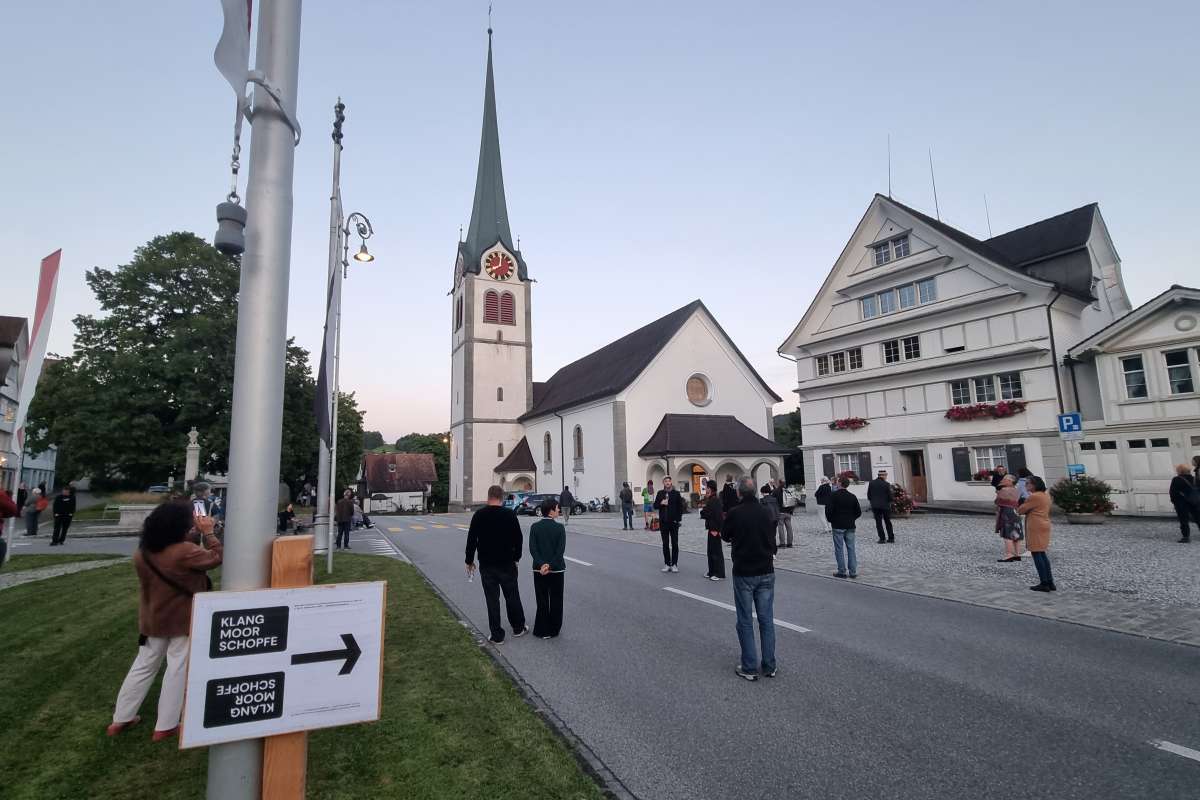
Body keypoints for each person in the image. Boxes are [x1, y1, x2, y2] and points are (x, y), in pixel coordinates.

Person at [107, 501, 223, 741]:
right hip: (181, 617)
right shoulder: (184, 552)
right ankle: (166, 724)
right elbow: (216, 557)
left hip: (153, 618)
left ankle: (121, 717)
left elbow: (181, 557)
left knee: (143, 666)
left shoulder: (143, 553)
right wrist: (209, 532)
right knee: (177, 668)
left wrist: (193, 535)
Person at [721, 476, 777, 681]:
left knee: (745, 620)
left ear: (739, 493)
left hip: (744, 571)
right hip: (766, 570)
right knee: (766, 620)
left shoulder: (735, 513)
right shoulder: (766, 511)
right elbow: (772, 535)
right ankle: (769, 665)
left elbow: (725, 535)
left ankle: (750, 666)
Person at [465, 485, 527, 643]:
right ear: (502, 498)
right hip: (507, 563)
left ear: (488, 497)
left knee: (492, 600)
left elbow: (472, 539)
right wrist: (516, 558)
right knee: (512, 596)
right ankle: (518, 627)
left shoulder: (479, 515)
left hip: (487, 564)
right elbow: (518, 539)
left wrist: (469, 560)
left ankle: (497, 635)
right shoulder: (509, 515)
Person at [529, 497, 566, 639]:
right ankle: (553, 629)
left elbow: (533, 549)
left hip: (539, 570)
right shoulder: (559, 528)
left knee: (542, 599)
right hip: (556, 570)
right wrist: (550, 565)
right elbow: (560, 551)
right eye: (557, 508)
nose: (559, 510)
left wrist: (541, 564)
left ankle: (541, 629)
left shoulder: (535, 527)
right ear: (551, 511)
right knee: (556, 599)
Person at [1019, 476, 1056, 591]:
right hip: (1044, 523)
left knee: (1036, 553)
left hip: (1036, 525)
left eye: (1028, 484)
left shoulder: (1034, 496)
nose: (1026, 486)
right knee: (1042, 553)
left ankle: (1044, 583)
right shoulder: (1045, 495)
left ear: (1034, 485)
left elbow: (1020, 510)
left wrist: (1021, 502)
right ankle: (1050, 582)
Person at [826, 475, 861, 578]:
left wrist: (832, 520)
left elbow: (828, 511)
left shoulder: (833, 496)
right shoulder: (852, 496)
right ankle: (853, 571)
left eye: (837, 482)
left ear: (840, 483)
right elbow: (858, 512)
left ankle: (842, 571)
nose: (836, 484)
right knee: (851, 548)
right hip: (850, 526)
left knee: (839, 549)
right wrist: (851, 519)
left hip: (837, 525)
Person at [655, 477, 684, 572]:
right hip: (663, 522)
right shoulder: (660, 493)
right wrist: (661, 503)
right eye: (666, 481)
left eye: (669, 481)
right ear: (663, 482)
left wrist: (678, 520)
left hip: (674, 522)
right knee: (665, 544)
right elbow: (655, 505)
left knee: (675, 544)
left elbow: (680, 507)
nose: (667, 483)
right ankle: (667, 563)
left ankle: (674, 564)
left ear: (671, 482)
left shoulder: (676, 493)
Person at [700, 479, 726, 581]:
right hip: (711, 528)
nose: (705, 489)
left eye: (706, 487)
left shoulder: (715, 500)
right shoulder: (711, 499)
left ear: (710, 489)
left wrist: (718, 530)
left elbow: (718, 516)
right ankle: (711, 571)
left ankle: (719, 573)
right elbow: (706, 512)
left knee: (716, 552)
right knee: (710, 551)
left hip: (715, 529)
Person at [995, 475, 1024, 561]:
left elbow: (998, 501)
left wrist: (998, 492)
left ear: (1010, 481)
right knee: (1017, 532)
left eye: (1005, 479)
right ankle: (1017, 553)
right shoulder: (1017, 490)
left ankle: (1009, 554)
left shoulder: (1003, 490)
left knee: (1007, 533)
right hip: (1016, 511)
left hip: (1006, 512)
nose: (1003, 480)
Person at [1169, 463, 1200, 543]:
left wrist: (1174, 501)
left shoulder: (1176, 479)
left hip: (1181, 503)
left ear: (1180, 471)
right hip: (1195, 502)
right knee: (1198, 518)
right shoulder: (1195, 479)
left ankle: (1186, 537)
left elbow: (1173, 492)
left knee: (1184, 520)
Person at [867, 470, 894, 543]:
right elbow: (890, 497)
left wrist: (873, 502)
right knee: (888, 522)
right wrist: (890, 501)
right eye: (886, 476)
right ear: (883, 475)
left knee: (878, 523)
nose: (886, 477)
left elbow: (869, 495)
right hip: (885, 506)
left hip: (875, 506)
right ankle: (891, 538)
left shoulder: (871, 483)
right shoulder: (886, 484)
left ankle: (882, 539)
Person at [773, 480, 795, 548]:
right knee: (789, 528)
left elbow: (773, 500)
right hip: (788, 512)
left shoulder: (776, 491)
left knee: (781, 527)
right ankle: (790, 543)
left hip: (780, 512)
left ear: (779, 483)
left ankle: (782, 543)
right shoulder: (788, 491)